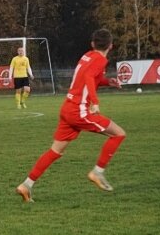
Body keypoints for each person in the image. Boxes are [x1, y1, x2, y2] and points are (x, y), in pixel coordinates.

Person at [15, 29, 125, 202]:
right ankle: (98, 172)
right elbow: (89, 76)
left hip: (67, 108)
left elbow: (88, 77)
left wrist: (106, 82)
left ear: (92, 44)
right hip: (79, 111)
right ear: (111, 45)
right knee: (118, 134)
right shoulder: (101, 59)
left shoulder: (87, 55)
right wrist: (95, 102)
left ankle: (26, 185)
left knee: (55, 151)